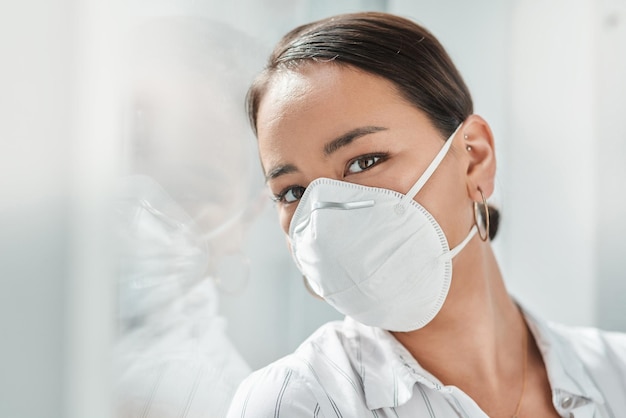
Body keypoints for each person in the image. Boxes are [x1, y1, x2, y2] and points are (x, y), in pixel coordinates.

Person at [227, 11, 626, 418]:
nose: (326, 216)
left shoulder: (617, 373)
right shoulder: (299, 401)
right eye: (292, 192)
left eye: (364, 161)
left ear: (474, 157)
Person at [113, 17, 265, 417]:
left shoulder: (205, 400)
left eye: (187, 193)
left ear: (246, 219)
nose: (137, 208)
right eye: (121, 165)